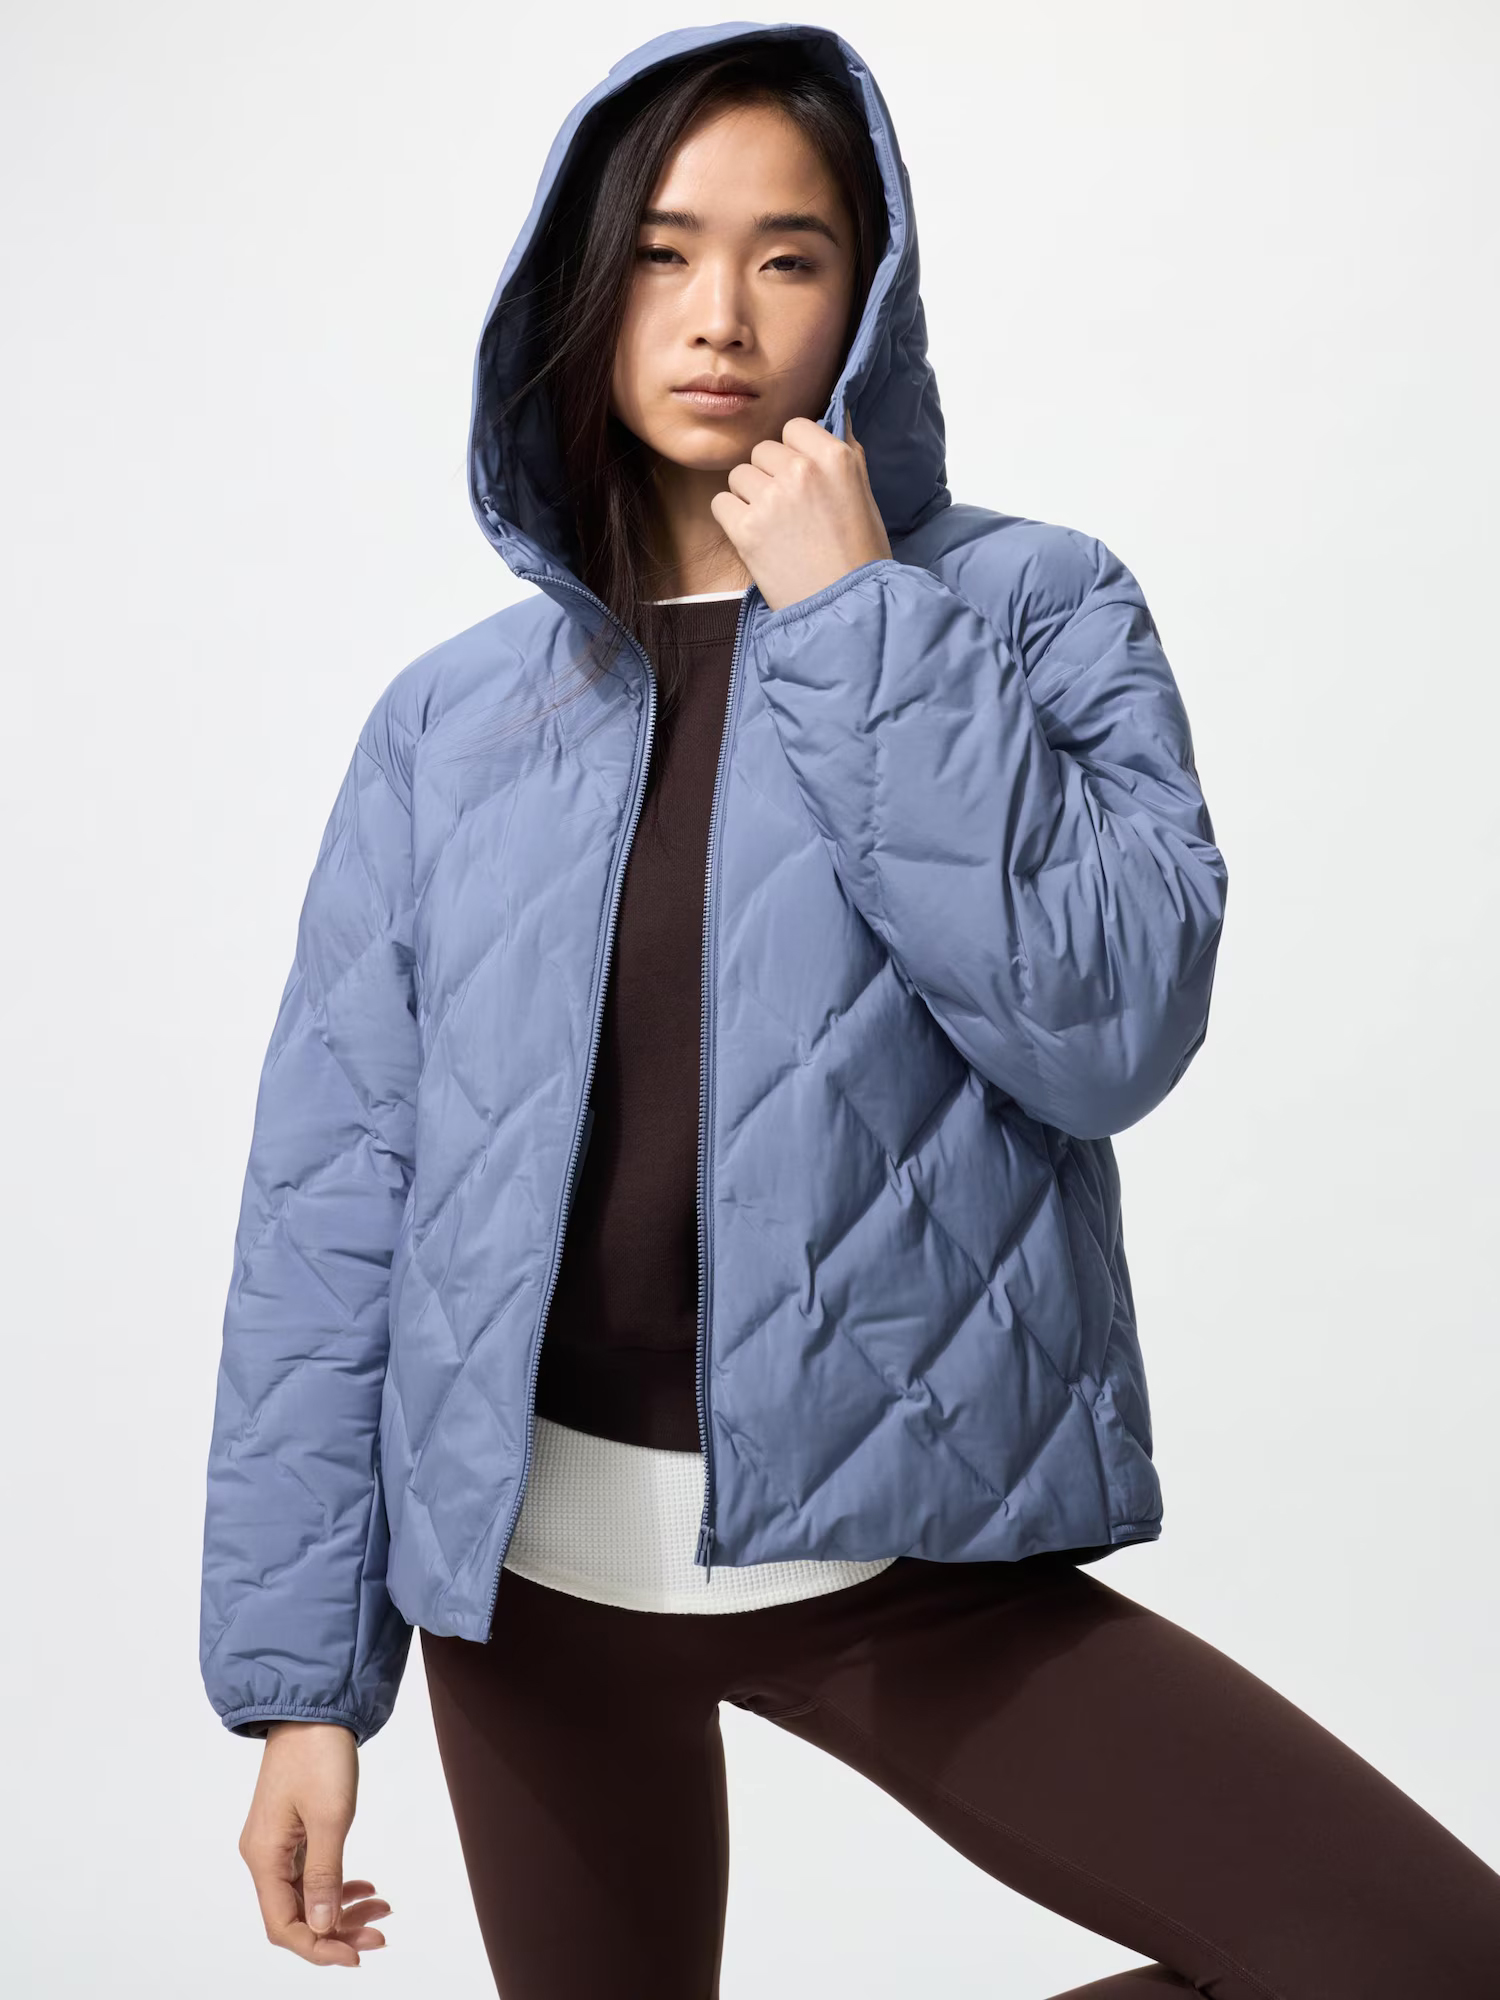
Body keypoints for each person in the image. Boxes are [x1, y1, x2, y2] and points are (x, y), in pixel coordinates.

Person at [198, 20, 1500, 1997]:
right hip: (524, 1596)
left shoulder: (1028, 606)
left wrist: (859, 617)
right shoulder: (450, 722)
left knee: (1424, 1957)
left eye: (788, 255)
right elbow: (326, 1206)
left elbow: (1107, 1027)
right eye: (663, 250)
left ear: (867, 296)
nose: (719, 313)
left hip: (900, 1563)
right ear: (583, 283)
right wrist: (305, 1684)